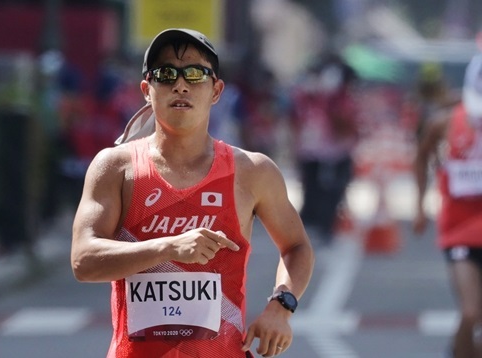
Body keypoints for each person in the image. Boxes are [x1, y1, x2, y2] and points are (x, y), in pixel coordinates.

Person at [71, 28, 315, 358]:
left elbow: (297, 246)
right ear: (147, 89)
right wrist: (168, 247)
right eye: (166, 73)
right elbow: (83, 261)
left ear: (216, 91)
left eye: (196, 74)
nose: (181, 85)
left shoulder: (253, 171)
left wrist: (281, 305)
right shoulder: (116, 167)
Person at [413, 53, 482, 358]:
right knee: (471, 312)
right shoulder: (444, 122)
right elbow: (420, 156)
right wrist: (419, 204)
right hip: (461, 231)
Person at [289, 52, 360, 246]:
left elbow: (347, 125)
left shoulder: (340, 99)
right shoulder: (310, 96)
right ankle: (309, 227)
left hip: (335, 152)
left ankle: (323, 227)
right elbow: (296, 120)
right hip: (317, 151)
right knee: (314, 190)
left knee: (332, 192)